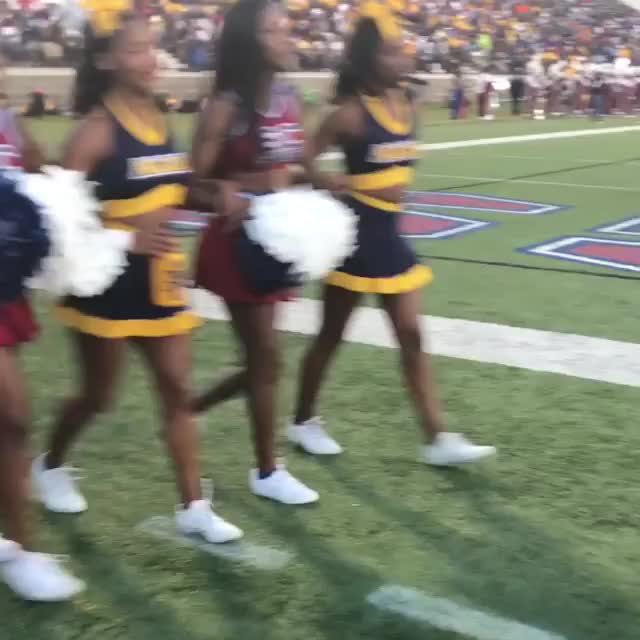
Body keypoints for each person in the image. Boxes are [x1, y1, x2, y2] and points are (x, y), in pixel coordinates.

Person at [31, 11, 242, 544]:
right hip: (104, 282)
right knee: (99, 396)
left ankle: (193, 505)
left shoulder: (159, 117)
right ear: (105, 60)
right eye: (134, 50)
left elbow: (176, 187)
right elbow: (54, 218)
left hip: (162, 278)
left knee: (176, 388)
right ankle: (50, 463)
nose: (148, 60)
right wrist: (124, 238)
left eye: (151, 48)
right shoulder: (94, 132)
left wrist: (217, 194)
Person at [287, 2, 497, 466]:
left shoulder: (407, 104)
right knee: (331, 334)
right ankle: (302, 420)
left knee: (410, 334)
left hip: (389, 232)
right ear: (369, 61)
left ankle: (436, 437)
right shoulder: (348, 114)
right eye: (392, 52)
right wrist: (326, 181)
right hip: (356, 237)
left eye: (404, 48)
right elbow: (301, 160)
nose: (405, 56)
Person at [190, 0, 318, 505]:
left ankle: (188, 407)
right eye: (276, 29)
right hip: (234, 245)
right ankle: (267, 470)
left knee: (263, 362)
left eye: (290, 27)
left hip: (277, 240)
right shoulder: (226, 106)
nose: (289, 37)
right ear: (251, 42)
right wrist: (239, 186)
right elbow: (190, 183)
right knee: (266, 359)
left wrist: (317, 181)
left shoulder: (290, 99)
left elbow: (300, 166)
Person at [0, 89, 85, 600]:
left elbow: (38, 169)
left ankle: (22, 549)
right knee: (11, 413)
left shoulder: (8, 119)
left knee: (9, 419)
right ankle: (24, 551)